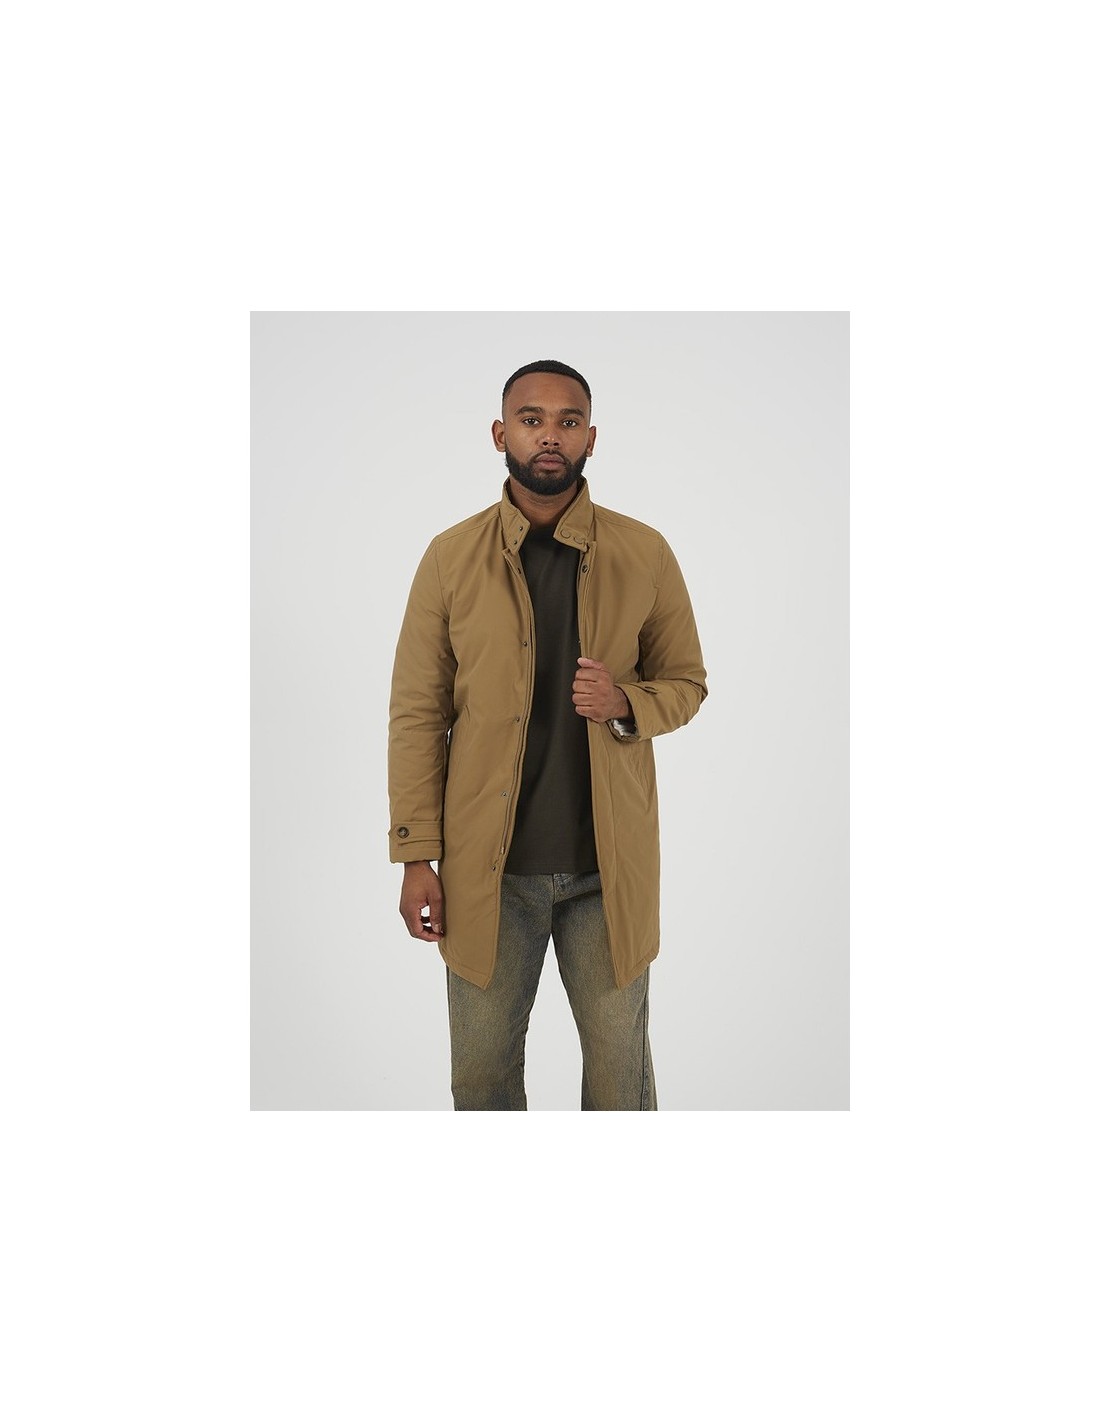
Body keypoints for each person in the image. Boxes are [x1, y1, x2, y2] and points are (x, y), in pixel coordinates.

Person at [388, 359, 707, 1110]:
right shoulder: (450, 558)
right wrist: (415, 854)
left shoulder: (645, 552)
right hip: (486, 876)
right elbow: (417, 714)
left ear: (592, 437)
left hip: (608, 873)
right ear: (501, 434)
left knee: (621, 1082)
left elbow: (687, 682)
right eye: (531, 420)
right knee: (482, 1081)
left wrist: (624, 700)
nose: (550, 436)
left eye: (568, 421)